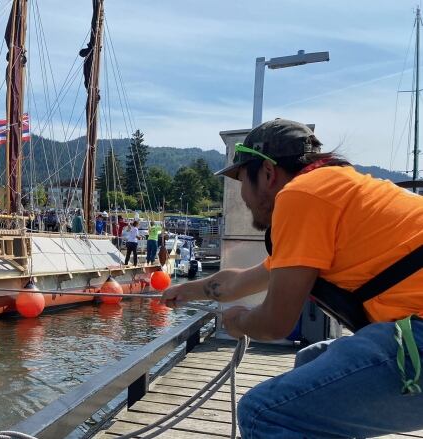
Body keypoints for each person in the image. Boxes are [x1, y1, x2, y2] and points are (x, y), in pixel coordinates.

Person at [162, 119, 423, 438]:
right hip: (409, 332)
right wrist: (186, 291)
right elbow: (244, 280)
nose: (242, 194)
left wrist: (240, 321)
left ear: (268, 173)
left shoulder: (301, 195)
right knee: (311, 358)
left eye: (242, 179)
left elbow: (275, 324)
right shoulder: (334, 191)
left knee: (263, 413)